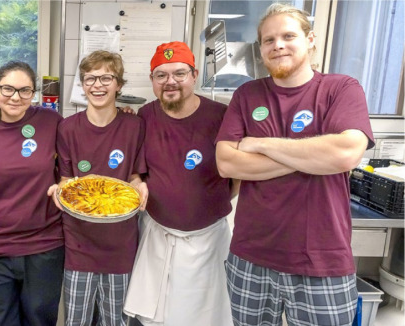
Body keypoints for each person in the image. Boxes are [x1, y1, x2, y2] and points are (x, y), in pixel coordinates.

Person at [215, 4, 374, 325]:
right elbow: (227, 163)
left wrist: (260, 144)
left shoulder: (340, 88)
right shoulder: (247, 95)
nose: (278, 45)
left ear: (310, 39)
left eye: (288, 36)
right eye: (268, 40)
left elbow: (344, 154)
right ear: (261, 49)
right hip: (251, 257)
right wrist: (313, 157)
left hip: (321, 259)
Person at [123, 41, 239, 326]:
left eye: (179, 73)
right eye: (161, 75)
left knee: (206, 317)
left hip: (207, 241)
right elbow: (136, 170)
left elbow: (237, 177)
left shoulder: (221, 116)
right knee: (153, 318)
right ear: (152, 80)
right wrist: (137, 181)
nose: (170, 81)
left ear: (194, 75)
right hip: (156, 235)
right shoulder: (145, 116)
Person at [52, 50, 147, 326]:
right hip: (79, 244)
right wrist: (60, 191)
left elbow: (134, 176)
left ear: (119, 84)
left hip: (121, 244)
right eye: (90, 78)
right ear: (82, 85)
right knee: (76, 320)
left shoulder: (135, 126)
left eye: (106, 77)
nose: (97, 85)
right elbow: (66, 180)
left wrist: (140, 186)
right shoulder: (68, 129)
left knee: (116, 321)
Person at [0, 61, 64, 326]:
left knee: (40, 320)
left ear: (33, 93)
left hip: (44, 243)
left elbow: (77, 153)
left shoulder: (51, 122)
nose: (15, 97)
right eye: (8, 88)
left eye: (25, 91)